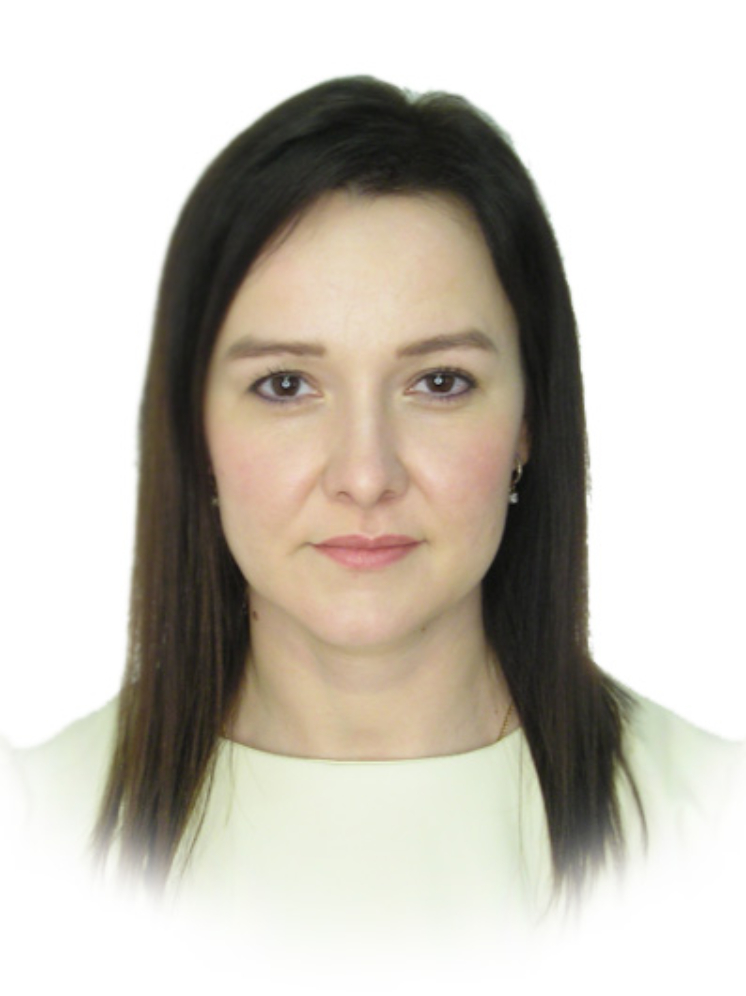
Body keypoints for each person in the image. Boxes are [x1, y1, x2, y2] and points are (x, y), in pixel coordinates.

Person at [4, 76, 744, 982]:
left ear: (529, 424)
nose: (365, 475)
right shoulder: (31, 838)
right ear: (194, 429)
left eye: (439, 382)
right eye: (286, 385)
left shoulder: (719, 833)